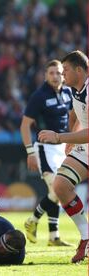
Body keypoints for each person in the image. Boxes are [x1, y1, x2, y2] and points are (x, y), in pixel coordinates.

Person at [38, 50, 88, 263]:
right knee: (60, 185)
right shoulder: (76, 89)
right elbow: (75, 113)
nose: (62, 74)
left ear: (79, 70)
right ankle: (86, 237)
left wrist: (60, 137)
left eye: (65, 70)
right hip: (85, 148)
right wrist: (71, 138)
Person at [21, 59, 72, 246]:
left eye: (58, 72)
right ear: (45, 75)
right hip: (44, 149)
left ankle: (53, 236)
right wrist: (30, 152)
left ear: (63, 75)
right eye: (51, 73)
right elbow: (25, 126)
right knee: (57, 189)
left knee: (56, 190)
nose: (55, 76)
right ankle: (33, 221)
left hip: (62, 146)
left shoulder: (67, 92)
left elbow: (72, 117)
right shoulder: (39, 96)